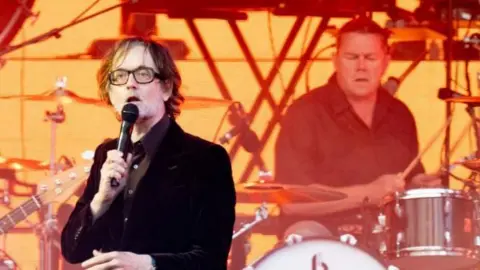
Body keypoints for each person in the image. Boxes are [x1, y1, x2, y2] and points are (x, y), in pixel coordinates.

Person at [61, 37, 236, 270]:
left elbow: (212, 259)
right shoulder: (107, 154)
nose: (130, 84)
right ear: (110, 94)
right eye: (120, 76)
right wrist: (101, 200)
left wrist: (148, 264)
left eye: (143, 74)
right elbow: (73, 252)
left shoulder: (205, 158)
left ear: (166, 88)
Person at [274, 17, 441, 241]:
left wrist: (415, 186)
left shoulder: (400, 114)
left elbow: (402, 184)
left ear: (386, 62)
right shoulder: (305, 113)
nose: (361, 66)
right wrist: (368, 194)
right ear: (335, 60)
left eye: (370, 58)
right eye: (352, 57)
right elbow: (292, 204)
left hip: (388, 239)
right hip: (325, 241)